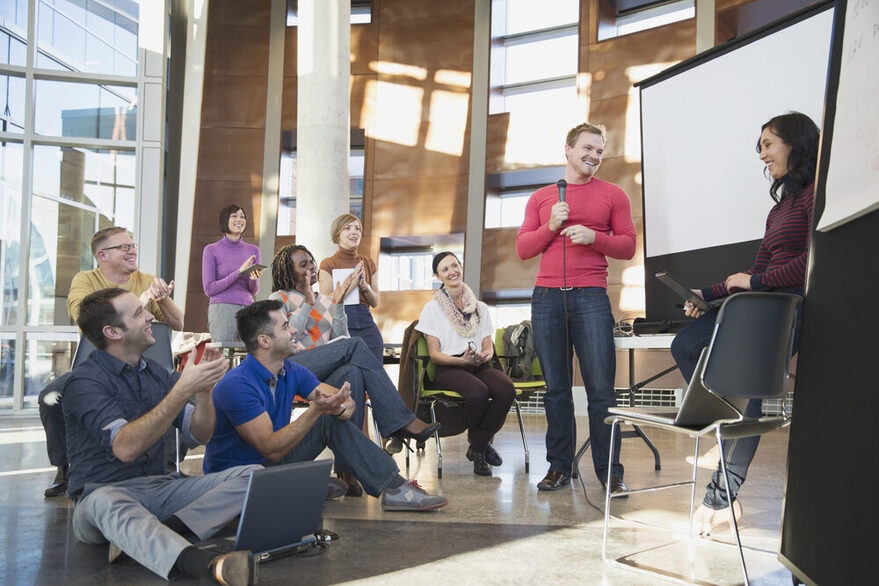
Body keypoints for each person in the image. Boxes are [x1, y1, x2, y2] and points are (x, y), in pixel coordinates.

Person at [671, 111, 819, 534]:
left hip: (785, 308)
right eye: (761, 147)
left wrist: (755, 282)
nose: (763, 155)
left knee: (748, 392)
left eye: (769, 144)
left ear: (796, 143)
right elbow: (757, 267)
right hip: (756, 303)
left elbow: (811, 264)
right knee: (685, 345)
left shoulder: (814, 196)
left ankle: (721, 499)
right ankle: (719, 431)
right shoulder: (779, 209)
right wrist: (709, 294)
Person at [63, 288, 260, 585]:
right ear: (112, 331)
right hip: (100, 495)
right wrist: (181, 390)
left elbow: (200, 433)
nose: (149, 318)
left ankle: (153, 536)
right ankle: (204, 565)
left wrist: (204, 392)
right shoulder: (83, 382)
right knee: (107, 501)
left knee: (253, 475)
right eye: (138, 313)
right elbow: (125, 448)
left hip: (161, 489)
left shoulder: (156, 373)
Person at [203, 300, 448, 513]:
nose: (294, 330)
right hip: (239, 480)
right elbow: (272, 449)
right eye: (286, 326)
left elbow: (346, 405)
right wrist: (318, 410)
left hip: (271, 466)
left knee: (348, 377)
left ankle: (323, 483)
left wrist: (340, 407)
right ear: (264, 340)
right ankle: (306, 485)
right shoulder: (237, 384)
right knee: (322, 415)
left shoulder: (291, 370)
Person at [516, 122, 636, 493]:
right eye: (587, 148)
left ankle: (609, 472)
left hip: (591, 299)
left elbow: (628, 246)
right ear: (567, 149)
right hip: (547, 299)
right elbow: (524, 249)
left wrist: (594, 237)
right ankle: (559, 467)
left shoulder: (614, 195)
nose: (594, 156)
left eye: (599, 151)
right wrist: (552, 225)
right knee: (556, 391)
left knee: (601, 391)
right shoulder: (541, 199)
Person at [269, 244, 439, 493]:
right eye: (303, 264)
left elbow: (342, 338)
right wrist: (307, 301)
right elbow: (286, 340)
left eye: (312, 261)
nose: (311, 267)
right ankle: (400, 422)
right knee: (356, 346)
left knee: (353, 373)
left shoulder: (325, 300)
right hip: (292, 367)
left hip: (320, 372)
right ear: (288, 271)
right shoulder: (278, 299)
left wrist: (336, 305)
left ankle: (349, 469)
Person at [40, 226, 185, 497]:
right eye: (124, 246)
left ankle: (167, 465)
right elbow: (87, 319)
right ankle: (65, 466)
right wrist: (144, 301)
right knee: (50, 397)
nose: (132, 250)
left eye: (132, 245)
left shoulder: (148, 279)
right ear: (102, 255)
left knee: (175, 395)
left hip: (145, 363)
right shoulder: (85, 280)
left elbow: (178, 322)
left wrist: (163, 299)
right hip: (98, 365)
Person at [415, 252, 515, 476]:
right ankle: (481, 450)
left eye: (454, 265)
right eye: (445, 269)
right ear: (438, 276)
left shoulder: (480, 307)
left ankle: (477, 445)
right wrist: (460, 360)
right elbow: (434, 355)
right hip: (449, 365)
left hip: (477, 364)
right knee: (478, 392)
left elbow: (487, 346)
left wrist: (484, 356)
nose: (452, 272)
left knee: (506, 388)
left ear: (461, 266)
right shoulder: (432, 309)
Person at [319, 214, 384, 365]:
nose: (354, 232)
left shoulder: (368, 262)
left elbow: (375, 302)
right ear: (337, 235)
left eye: (357, 228)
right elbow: (326, 301)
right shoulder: (328, 264)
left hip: (366, 322)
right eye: (347, 228)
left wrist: (363, 285)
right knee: (350, 374)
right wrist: (353, 283)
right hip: (340, 324)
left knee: (375, 371)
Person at [202, 204, 262, 343]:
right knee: (223, 357)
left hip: (248, 308)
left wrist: (253, 278)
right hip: (222, 308)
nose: (239, 219)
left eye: (242, 216)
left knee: (250, 355)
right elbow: (209, 289)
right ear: (225, 220)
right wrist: (239, 272)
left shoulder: (254, 250)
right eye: (234, 216)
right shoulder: (211, 250)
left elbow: (253, 290)